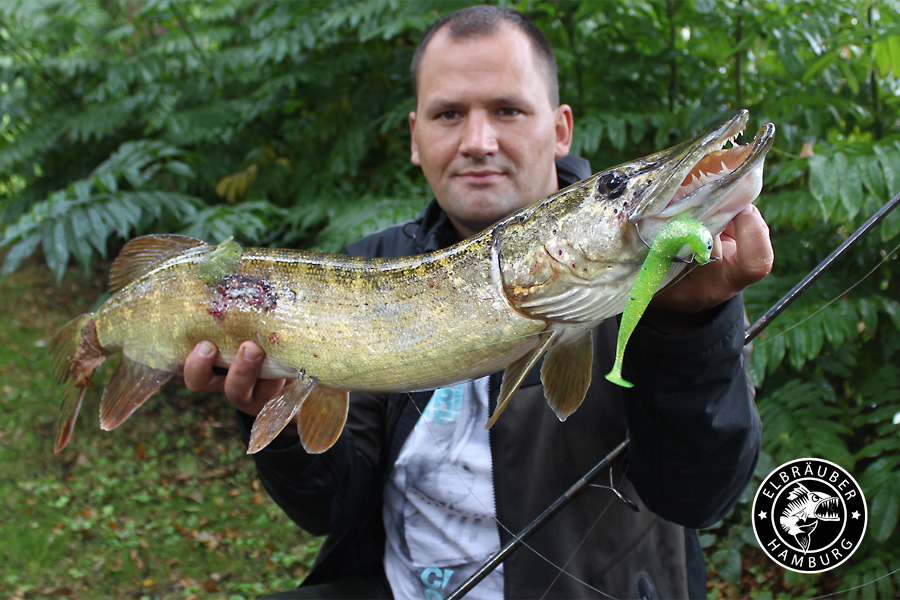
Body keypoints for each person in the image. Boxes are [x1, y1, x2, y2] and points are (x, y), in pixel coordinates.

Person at [184, 6, 772, 599]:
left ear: (561, 129)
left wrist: (690, 329)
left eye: (508, 110)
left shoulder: (655, 280)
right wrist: (281, 422)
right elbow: (334, 510)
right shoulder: (367, 267)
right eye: (448, 115)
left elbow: (701, 496)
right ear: (415, 138)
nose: (478, 141)